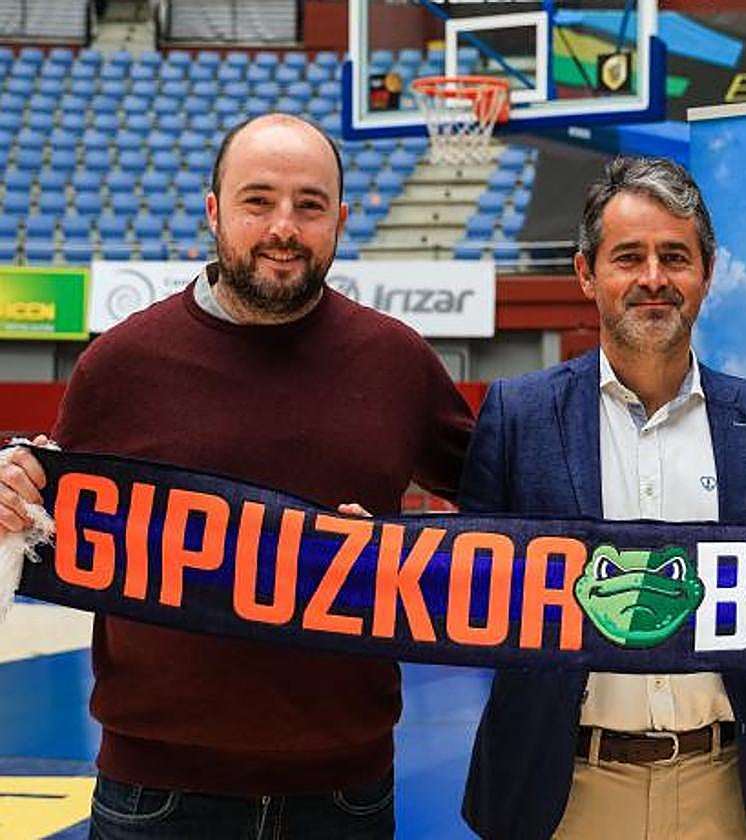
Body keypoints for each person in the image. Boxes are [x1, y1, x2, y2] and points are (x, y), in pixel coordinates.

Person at [0, 113, 474, 838]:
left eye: (309, 206)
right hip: (155, 793)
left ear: (340, 220)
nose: (284, 226)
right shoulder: (120, 365)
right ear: (214, 210)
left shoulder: (398, 362)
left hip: (343, 792)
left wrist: (393, 556)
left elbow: (503, 514)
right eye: (258, 201)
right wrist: (10, 494)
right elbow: (50, 527)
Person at [458, 156, 746, 840]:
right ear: (586, 273)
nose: (654, 279)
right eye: (629, 257)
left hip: (727, 788)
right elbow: (468, 587)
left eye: (675, 257)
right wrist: (362, 557)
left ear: (706, 275)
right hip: (560, 791)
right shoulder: (516, 416)